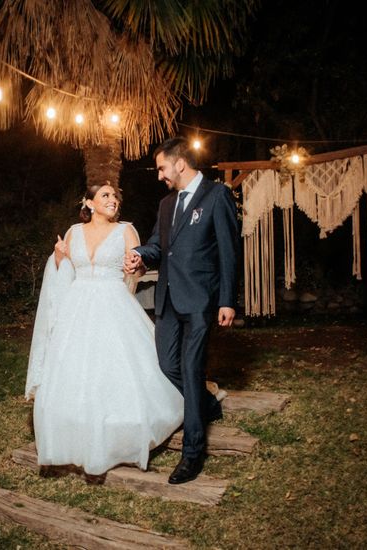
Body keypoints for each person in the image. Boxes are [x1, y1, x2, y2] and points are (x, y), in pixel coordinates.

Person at [26, 182, 183, 476]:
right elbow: (65, 273)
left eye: (115, 196)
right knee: (74, 369)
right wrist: (59, 257)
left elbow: (137, 270)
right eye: (105, 196)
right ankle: (75, 428)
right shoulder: (73, 232)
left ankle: (118, 431)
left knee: (115, 367)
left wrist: (134, 266)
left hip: (113, 304)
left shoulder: (126, 231)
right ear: (89, 203)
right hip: (77, 307)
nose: (113, 200)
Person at [124, 137, 240, 484]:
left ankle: (192, 453)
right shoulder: (165, 204)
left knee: (191, 367)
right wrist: (141, 254)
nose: (159, 176)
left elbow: (229, 251)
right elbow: (159, 247)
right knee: (165, 364)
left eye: (161, 168)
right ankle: (205, 403)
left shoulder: (216, 195)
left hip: (201, 299)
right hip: (167, 300)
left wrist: (227, 299)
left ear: (179, 163)